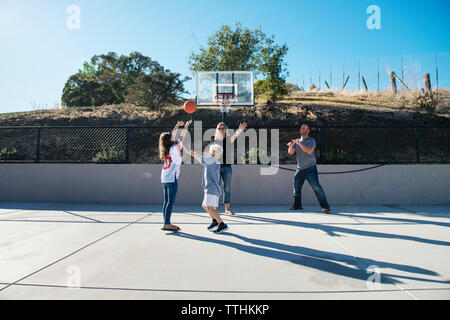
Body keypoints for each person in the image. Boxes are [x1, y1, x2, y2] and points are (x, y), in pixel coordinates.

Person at [184, 143, 229, 234]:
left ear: (212, 152)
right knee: (206, 206)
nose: (207, 151)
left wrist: (186, 150)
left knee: (209, 207)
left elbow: (196, 156)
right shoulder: (215, 162)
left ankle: (222, 224)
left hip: (211, 189)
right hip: (214, 189)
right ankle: (215, 221)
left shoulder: (210, 161)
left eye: (209, 150)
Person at [287, 124, 331, 214]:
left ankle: (325, 207)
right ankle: (297, 205)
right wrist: (290, 146)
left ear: (308, 131)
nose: (302, 129)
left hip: (311, 168)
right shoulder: (297, 141)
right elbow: (291, 153)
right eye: (301, 128)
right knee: (296, 187)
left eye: (304, 128)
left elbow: (309, 151)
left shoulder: (311, 140)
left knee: (317, 188)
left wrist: (299, 143)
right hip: (300, 169)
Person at [159, 120, 192, 231]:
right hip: (171, 177)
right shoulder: (175, 147)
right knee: (170, 201)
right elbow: (181, 137)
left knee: (166, 201)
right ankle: (167, 223)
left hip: (164, 177)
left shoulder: (165, 148)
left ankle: (166, 222)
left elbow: (170, 135)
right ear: (170, 139)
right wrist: (186, 127)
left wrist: (177, 125)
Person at [212, 121, 248, 216]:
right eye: (219, 128)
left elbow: (235, 136)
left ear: (225, 130)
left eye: (223, 128)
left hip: (227, 167)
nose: (221, 130)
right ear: (217, 130)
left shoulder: (228, 139)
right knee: (216, 188)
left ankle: (226, 209)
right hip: (216, 167)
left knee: (226, 188)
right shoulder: (214, 140)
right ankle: (215, 208)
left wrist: (240, 130)